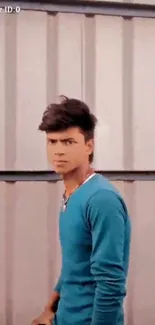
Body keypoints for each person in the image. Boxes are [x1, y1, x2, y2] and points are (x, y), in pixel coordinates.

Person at [31, 96, 131, 325]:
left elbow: (111, 284)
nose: (58, 151)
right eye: (52, 142)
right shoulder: (72, 194)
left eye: (68, 142)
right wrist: (50, 309)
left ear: (89, 146)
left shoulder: (101, 199)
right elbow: (74, 264)